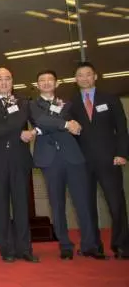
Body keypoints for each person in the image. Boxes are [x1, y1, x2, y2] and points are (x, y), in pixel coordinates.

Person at [30, 69, 106, 260]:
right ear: (37, 85)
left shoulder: (68, 103)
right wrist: (64, 124)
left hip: (73, 157)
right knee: (57, 204)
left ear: (57, 83)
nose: (46, 83)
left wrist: (45, 128)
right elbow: (41, 120)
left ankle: (90, 245)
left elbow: (54, 122)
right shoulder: (31, 105)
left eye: (50, 80)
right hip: (49, 159)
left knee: (83, 202)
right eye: (42, 80)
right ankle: (65, 245)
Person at [0, 67, 38, 263]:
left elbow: (21, 120)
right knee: (1, 206)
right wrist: (14, 131)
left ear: (12, 81)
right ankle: (6, 249)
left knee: (22, 205)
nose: (4, 82)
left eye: (7, 78)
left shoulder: (23, 101)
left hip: (19, 159)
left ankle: (25, 248)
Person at [70, 61, 129, 259]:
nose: (84, 78)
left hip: (110, 160)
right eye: (80, 75)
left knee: (116, 204)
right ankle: (93, 245)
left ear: (95, 76)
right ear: (75, 79)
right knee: (87, 206)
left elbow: (122, 129)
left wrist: (122, 153)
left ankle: (122, 245)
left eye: (88, 74)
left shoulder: (110, 99)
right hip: (82, 162)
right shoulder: (71, 103)